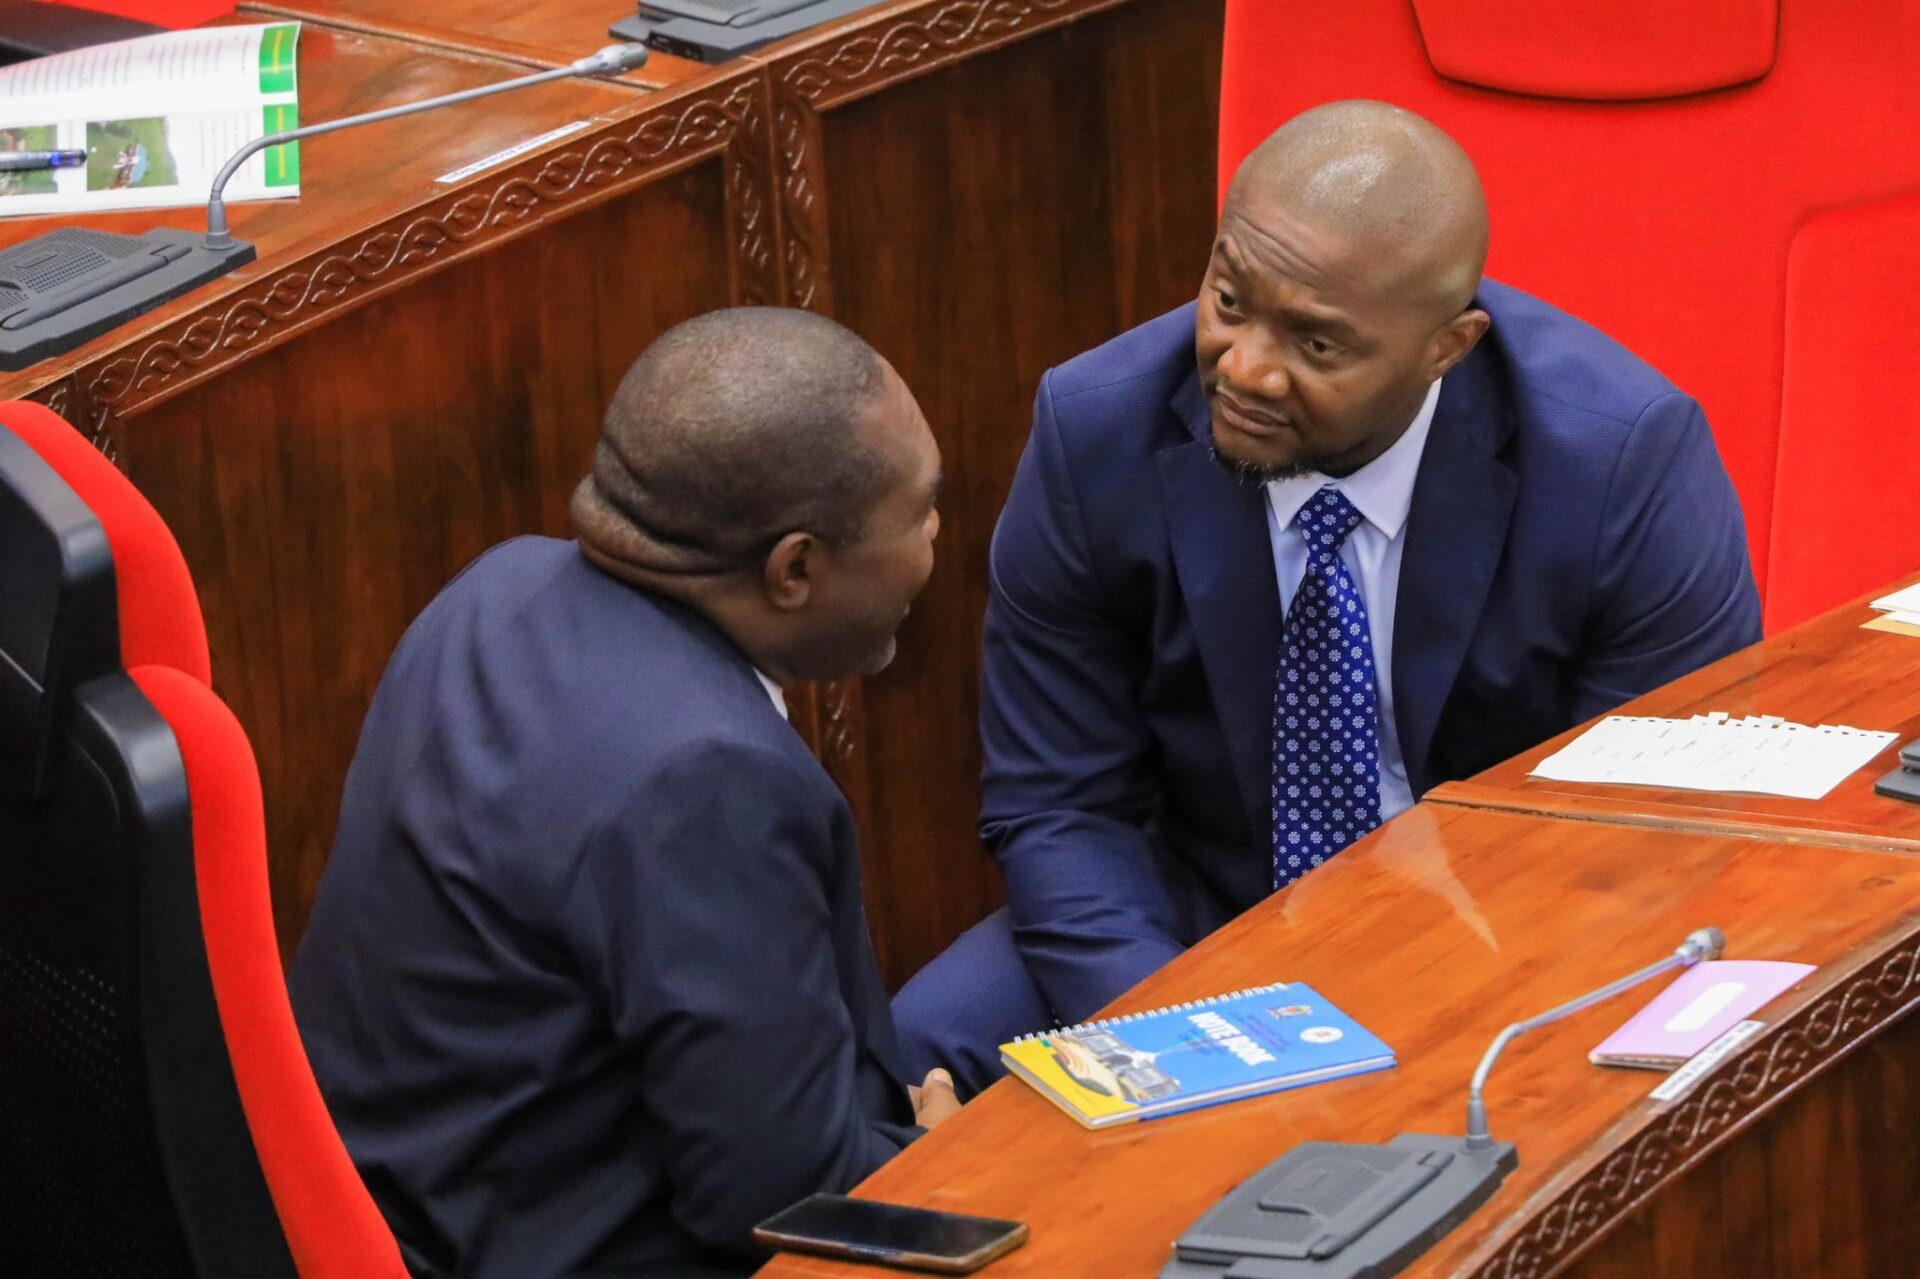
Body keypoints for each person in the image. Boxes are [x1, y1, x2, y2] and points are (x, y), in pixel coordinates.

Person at [895, 100, 1763, 1095]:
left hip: (1500, 924)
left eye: (1317, 347)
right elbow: (1062, 802)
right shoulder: (1096, 433)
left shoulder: (1620, 464)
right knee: (921, 1046)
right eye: (1228, 299)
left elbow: (1645, 838)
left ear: (1450, 346)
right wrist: (1181, 1049)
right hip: (1198, 908)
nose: (1245, 368)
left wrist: (1433, 1036)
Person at [290, 307, 954, 1279]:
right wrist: (943, 1167)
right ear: (796, 567)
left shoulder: (494, 590)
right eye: (922, 511)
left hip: (398, 1204)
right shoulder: (708, 777)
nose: (937, 533)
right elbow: (781, 1200)